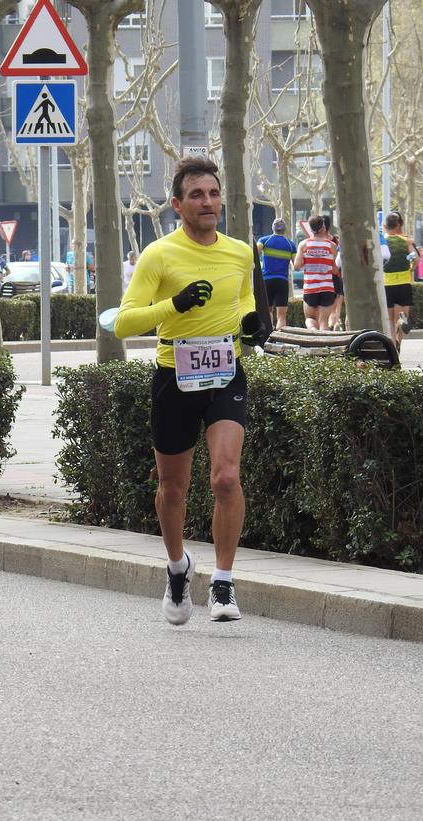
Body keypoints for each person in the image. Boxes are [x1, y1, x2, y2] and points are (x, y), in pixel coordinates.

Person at [113, 156, 262, 625]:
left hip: (225, 374)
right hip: (173, 377)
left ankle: (223, 582)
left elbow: (245, 300)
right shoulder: (160, 255)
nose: (208, 202)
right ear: (177, 204)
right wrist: (172, 305)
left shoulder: (239, 252)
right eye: (197, 195)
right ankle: (178, 567)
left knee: (225, 478)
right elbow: (123, 322)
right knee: (172, 488)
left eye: (214, 193)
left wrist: (252, 323)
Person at [292, 215, 337, 330]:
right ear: (323, 227)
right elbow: (335, 269)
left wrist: (308, 261)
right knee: (324, 323)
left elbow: (296, 266)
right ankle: (326, 346)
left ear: (310, 228)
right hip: (327, 288)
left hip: (310, 288)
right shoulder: (332, 246)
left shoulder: (304, 244)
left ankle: (313, 337)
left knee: (310, 319)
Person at [383, 211, 417, 347]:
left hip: (387, 283)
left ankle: (393, 345)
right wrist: (411, 268)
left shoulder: (383, 241)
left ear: (385, 225)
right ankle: (400, 334)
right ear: (398, 225)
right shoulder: (406, 241)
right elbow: (416, 259)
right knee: (402, 315)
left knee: (390, 320)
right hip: (404, 283)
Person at [256, 218, 296, 329]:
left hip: (266, 280)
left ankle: (268, 335)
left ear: (272, 227)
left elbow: (255, 253)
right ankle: (279, 339)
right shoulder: (290, 244)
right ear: (285, 229)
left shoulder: (264, 240)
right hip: (282, 281)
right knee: (282, 316)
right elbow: (296, 265)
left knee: (267, 312)